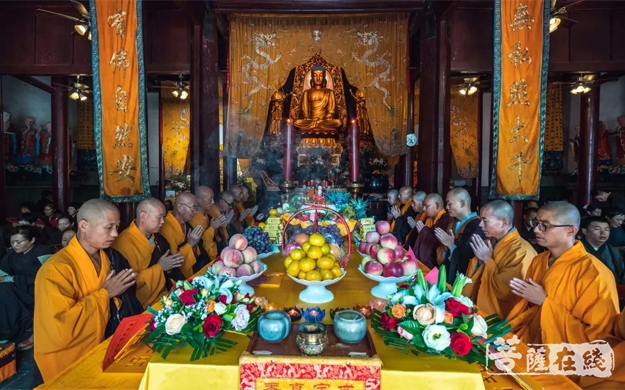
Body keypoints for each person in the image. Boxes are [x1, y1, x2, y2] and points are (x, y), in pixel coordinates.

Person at [34, 199, 143, 382]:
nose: (115, 233)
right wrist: (105, 294)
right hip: (70, 359)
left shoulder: (108, 257)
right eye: (108, 227)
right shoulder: (56, 269)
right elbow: (59, 328)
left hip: (105, 343)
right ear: (84, 225)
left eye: (117, 226)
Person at [506, 201, 619, 347]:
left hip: (566, 356)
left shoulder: (594, 273)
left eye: (544, 225)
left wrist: (545, 302)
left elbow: (600, 337)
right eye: (536, 223)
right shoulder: (539, 261)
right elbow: (526, 311)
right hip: (530, 341)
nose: (536, 230)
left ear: (571, 231)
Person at [465, 200, 536, 318]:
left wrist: (488, 260)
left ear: (504, 222)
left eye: (485, 220)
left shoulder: (521, 251)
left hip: (501, 317)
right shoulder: (489, 242)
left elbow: (505, 290)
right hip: (478, 310)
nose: (480, 225)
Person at [113, 198, 185, 308]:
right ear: (143, 216)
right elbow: (128, 282)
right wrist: (159, 267)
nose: (162, 222)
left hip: (164, 294)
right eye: (159, 217)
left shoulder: (158, 238)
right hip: (142, 304)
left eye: (164, 217)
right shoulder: (124, 243)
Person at [0, 227, 52, 350]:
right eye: (12, 243)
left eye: (19, 242)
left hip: (37, 290)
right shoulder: (12, 254)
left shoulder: (44, 251)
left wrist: (10, 279)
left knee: (4, 290)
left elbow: (41, 277)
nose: (15, 245)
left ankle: (7, 332)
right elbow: (3, 270)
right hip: (17, 288)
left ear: (32, 240)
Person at [435, 188, 485, 284]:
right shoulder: (452, 224)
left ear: (462, 203)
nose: (447, 207)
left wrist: (451, 246)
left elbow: (468, 259)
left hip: (462, 283)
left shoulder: (476, 226)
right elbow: (441, 251)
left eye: (449, 204)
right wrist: (446, 248)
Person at [159, 193, 205, 278]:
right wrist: (190, 244)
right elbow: (173, 262)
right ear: (180, 207)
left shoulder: (186, 224)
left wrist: (194, 243)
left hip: (191, 272)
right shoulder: (167, 228)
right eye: (193, 208)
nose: (195, 212)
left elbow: (196, 252)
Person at [412, 193, 453, 270]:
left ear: (437, 205)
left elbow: (437, 242)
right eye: (423, 205)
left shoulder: (446, 220)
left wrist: (424, 232)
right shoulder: (427, 218)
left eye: (426, 206)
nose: (423, 209)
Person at [191, 186, 232, 261]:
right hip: (204, 259)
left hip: (214, 254)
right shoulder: (193, 218)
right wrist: (212, 228)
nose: (213, 202)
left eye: (213, 199)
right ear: (199, 200)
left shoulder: (208, 216)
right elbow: (199, 243)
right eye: (210, 199)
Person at [580, 216, 625, 285]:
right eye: (597, 229)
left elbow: (621, 274)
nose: (603, 233)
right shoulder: (575, 249)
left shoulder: (613, 251)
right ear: (585, 231)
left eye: (607, 230)